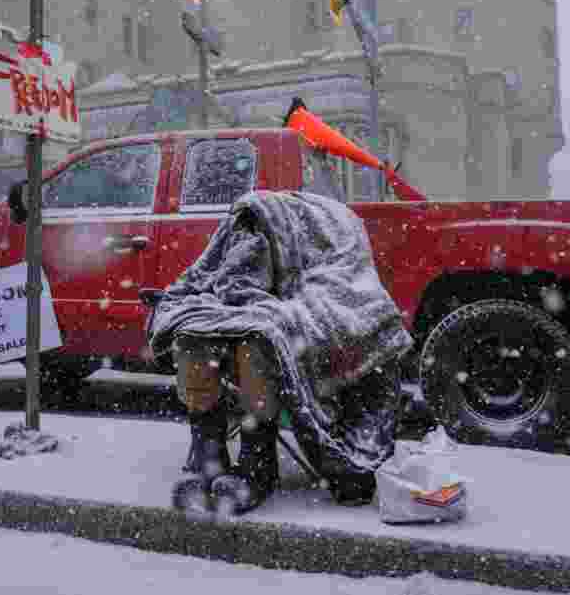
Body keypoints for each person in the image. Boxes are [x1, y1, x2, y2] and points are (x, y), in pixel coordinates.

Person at [147, 190, 413, 515]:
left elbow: (337, 297)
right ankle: (208, 454)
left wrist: (273, 310)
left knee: (256, 341)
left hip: (303, 323)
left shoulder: (325, 269)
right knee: (195, 335)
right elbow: (210, 279)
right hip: (263, 310)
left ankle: (257, 465)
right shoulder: (246, 236)